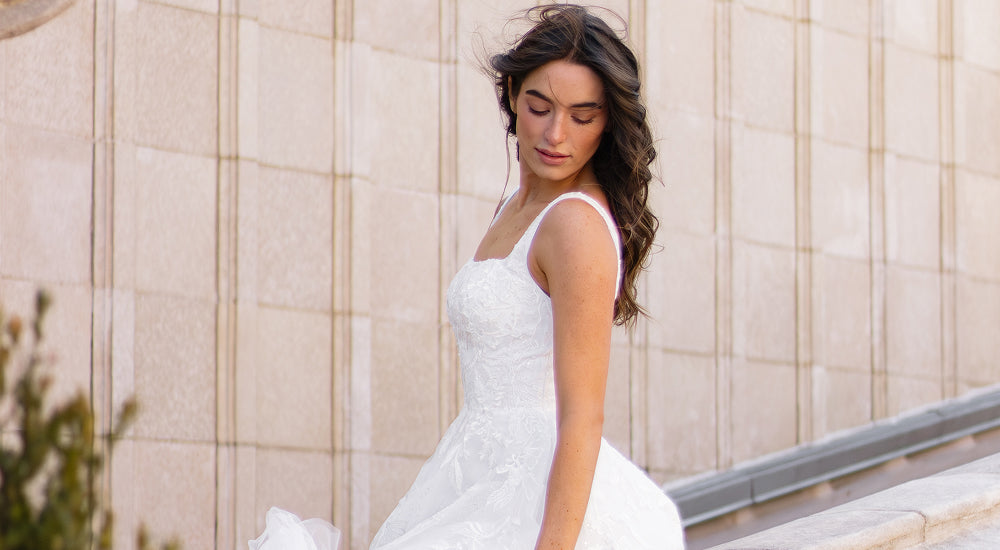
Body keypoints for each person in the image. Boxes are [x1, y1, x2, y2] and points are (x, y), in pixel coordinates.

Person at [251, 5, 684, 549]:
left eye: (583, 115)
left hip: (533, 495)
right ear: (511, 96)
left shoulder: (574, 225)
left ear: (608, 122)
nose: (556, 133)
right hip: (473, 465)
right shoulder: (516, 207)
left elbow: (582, 417)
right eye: (540, 106)